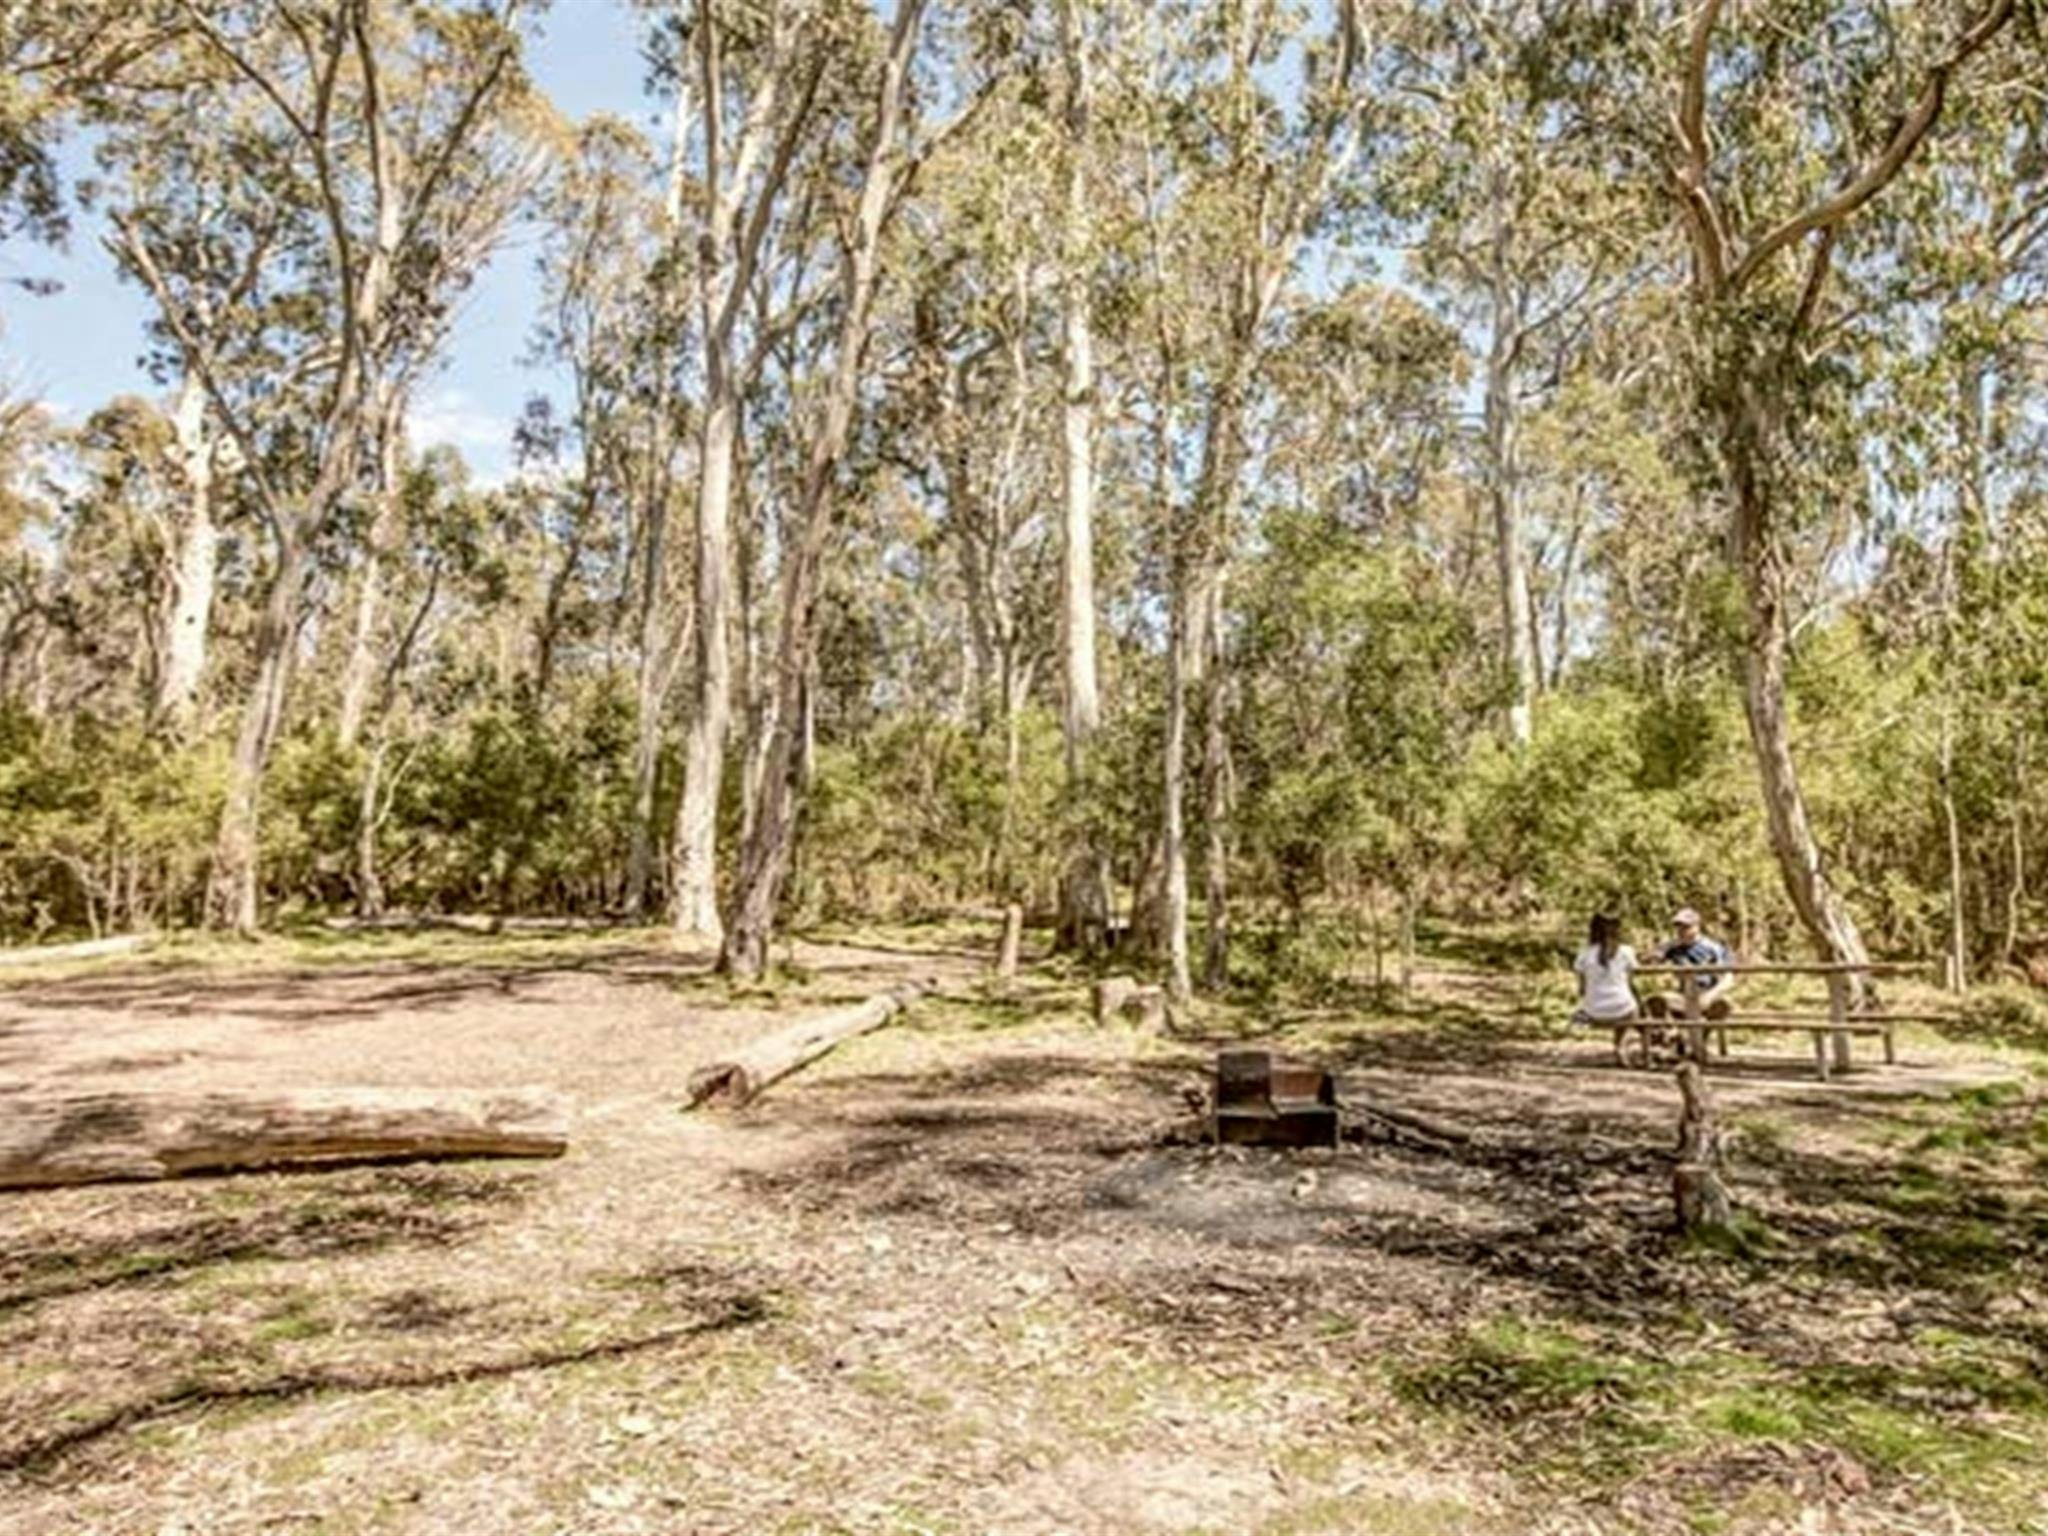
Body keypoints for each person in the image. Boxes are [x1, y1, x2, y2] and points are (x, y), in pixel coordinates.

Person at [1643, 906, 1735, 1025]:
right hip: (1683, 996)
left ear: (1697, 927)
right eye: (1679, 927)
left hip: (1708, 994)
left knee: (1724, 1004)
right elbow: (1650, 962)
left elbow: (1729, 977)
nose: (1681, 931)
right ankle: (1670, 1034)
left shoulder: (1713, 948)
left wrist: (1712, 993)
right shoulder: (1672, 947)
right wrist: (1656, 955)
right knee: (1655, 1001)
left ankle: (1703, 1034)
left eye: (1686, 927)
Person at [1571, 912, 1640, 1026]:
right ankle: (1620, 1042)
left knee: (1580, 1010)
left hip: (1593, 1011)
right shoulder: (1627, 951)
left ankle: (1617, 1042)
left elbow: (1582, 990)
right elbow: (1630, 982)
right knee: (1633, 1005)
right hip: (1622, 1009)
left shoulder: (1584, 953)